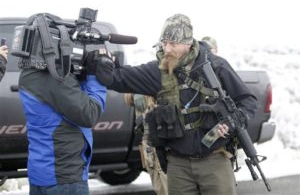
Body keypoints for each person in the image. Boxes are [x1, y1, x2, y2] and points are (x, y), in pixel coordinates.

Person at [97, 13, 257, 195]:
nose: (167, 49)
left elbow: (248, 102)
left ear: (187, 44)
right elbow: (122, 78)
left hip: (214, 160)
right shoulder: (158, 70)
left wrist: (230, 123)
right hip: (177, 164)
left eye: (173, 44)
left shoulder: (216, 66)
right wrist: (102, 67)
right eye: (164, 43)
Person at [18, 48, 114, 195]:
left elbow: (69, 100)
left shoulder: (29, 73)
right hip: (64, 177)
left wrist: (81, 76)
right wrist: (95, 77)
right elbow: (90, 113)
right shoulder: (57, 78)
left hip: (41, 172)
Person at [124, 93, 168, 195]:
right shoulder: (135, 77)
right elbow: (127, 99)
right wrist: (134, 93)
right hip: (148, 138)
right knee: (159, 185)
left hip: (164, 135)